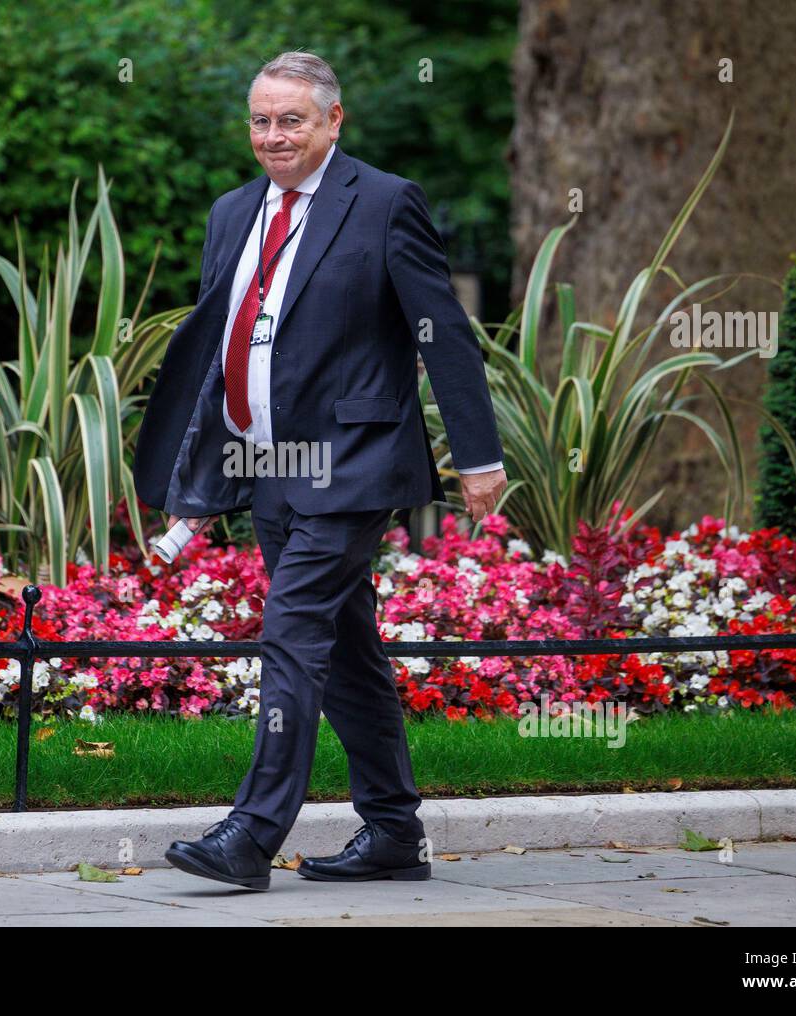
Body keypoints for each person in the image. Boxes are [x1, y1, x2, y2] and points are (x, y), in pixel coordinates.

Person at [132, 50, 507, 890]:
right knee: (348, 645)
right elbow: (215, 354)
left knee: (293, 631)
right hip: (266, 464)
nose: (274, 135)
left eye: (292, 119)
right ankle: (393, 832)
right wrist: (200, 477)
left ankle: (250, 834)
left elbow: (439, 329)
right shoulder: (232, 213)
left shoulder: (382, 202)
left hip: (353, 461)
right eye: (262, 120)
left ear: (334, 121)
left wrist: (478, 457)